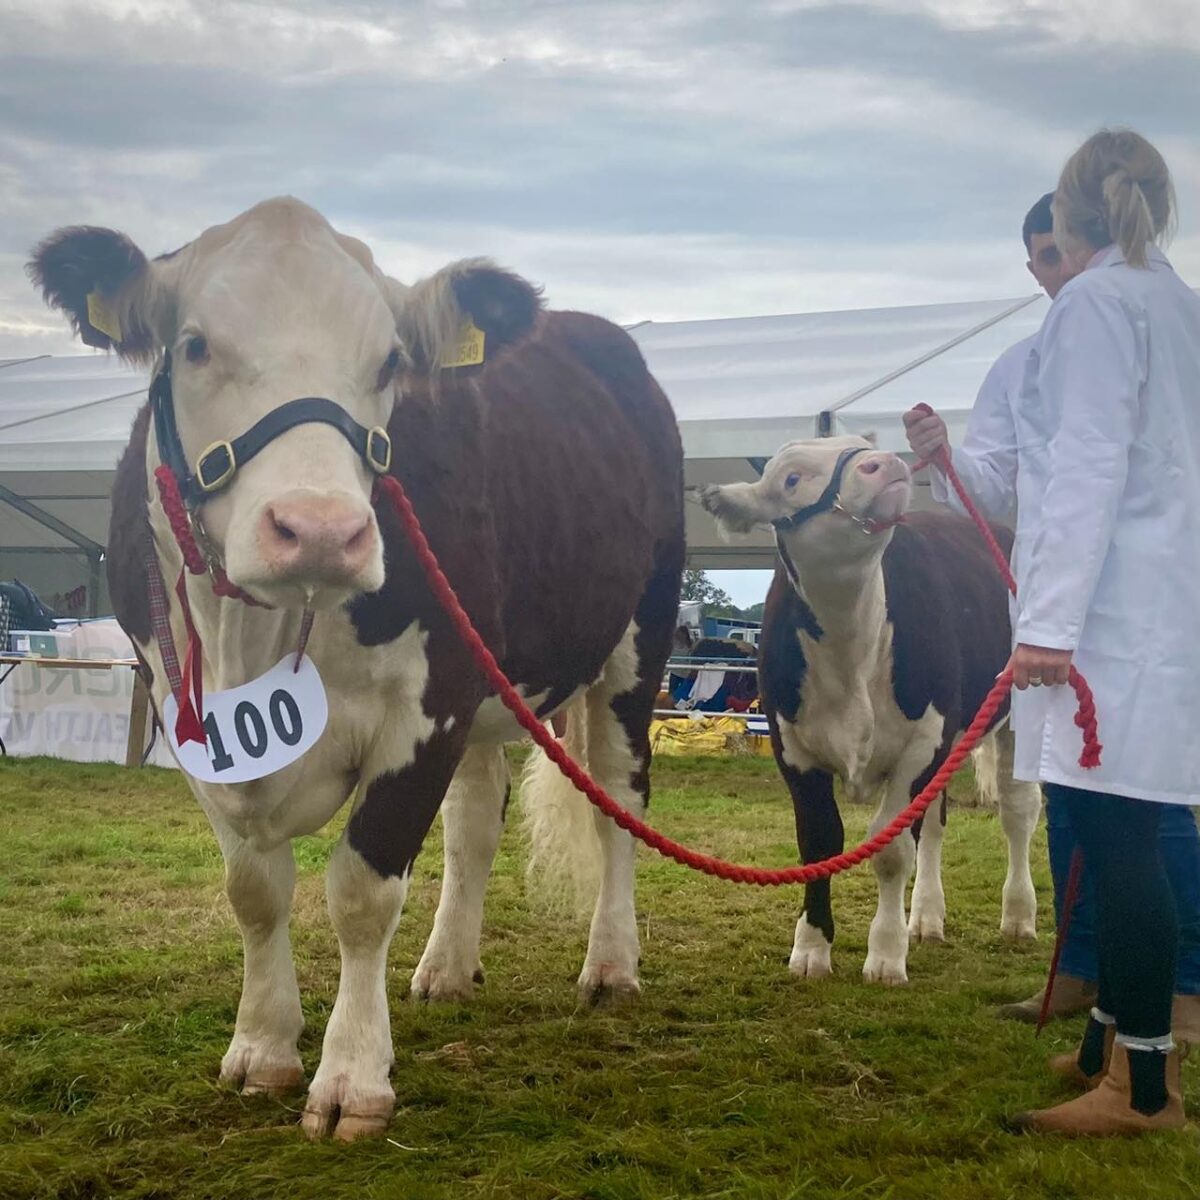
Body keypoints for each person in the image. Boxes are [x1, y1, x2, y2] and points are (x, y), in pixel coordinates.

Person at [905, 129, 1200, 1135]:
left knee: (1121, 848)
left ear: (1067, 222)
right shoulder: (1176, 304)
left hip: (1111, 621)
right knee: (1131, 846)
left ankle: (1143, 1090)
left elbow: (1084, 472)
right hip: (1162, 614)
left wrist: (1051, 628)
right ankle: (1111, 1053)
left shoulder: (1093, 306)